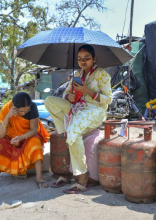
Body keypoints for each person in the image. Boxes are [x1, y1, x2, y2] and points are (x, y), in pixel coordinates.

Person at [45, 44, 112, 194]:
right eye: (80, 59)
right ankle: (65, 131)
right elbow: (66, 93)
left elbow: (108, 100)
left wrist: (86, 91)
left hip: (95, 110)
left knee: (74, 131)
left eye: (87, 58)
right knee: (50, 101)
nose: (83, 62)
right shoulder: (78, 75)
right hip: (77, 108)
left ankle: (82, 177)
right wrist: (69, 96)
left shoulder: (103, 75)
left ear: (94, 59)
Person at [0, 92, 50, 192]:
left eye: (27, 110)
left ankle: (39, 178)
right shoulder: (6, 109)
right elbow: (0, 134)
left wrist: (21, 137)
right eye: (22, 111)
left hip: (27, 137)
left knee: (35, 142)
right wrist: (8, 117)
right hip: (10, 139)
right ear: (14, 108)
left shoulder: (33, 107)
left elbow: (34, 130)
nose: (25, 113)